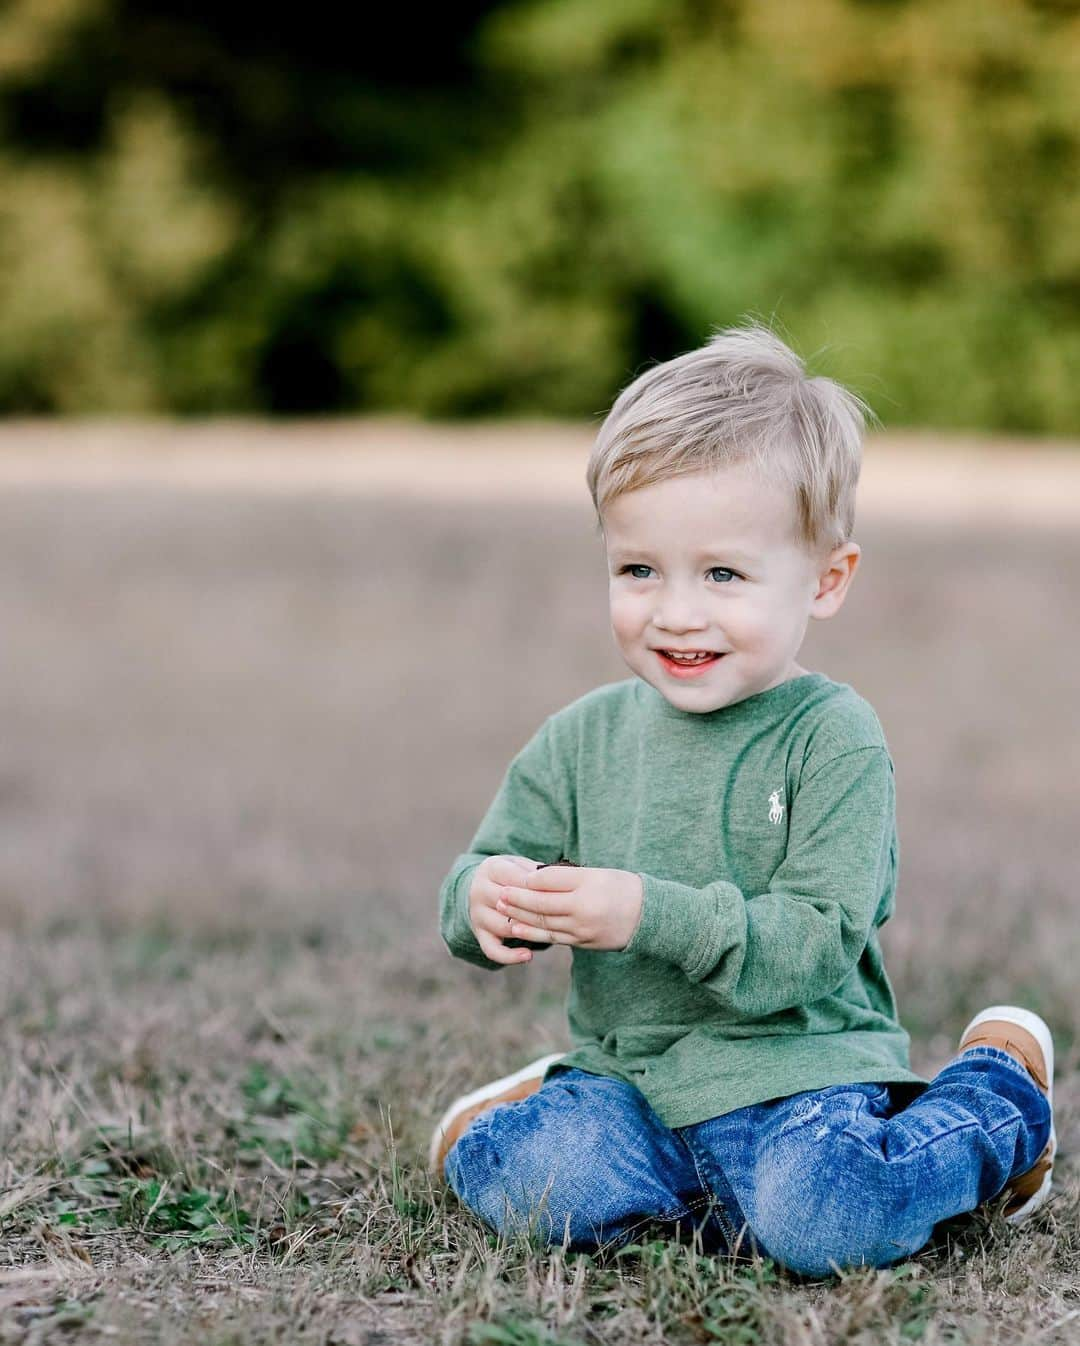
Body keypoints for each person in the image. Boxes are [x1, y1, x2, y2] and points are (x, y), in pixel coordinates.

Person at [429, 320, 1055, 1279]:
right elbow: (479, 873)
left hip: (800, 1080)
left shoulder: (830, 737)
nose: (677, 611)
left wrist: (643, 913)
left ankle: (996, 1093)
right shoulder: (582, 737)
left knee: (827, 1223)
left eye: (723, 573)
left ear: (826, 580)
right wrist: (485, 901)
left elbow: (812, 945)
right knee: (542, 1186)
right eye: (639, 569)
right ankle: (548, 1117)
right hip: (634, 1086)